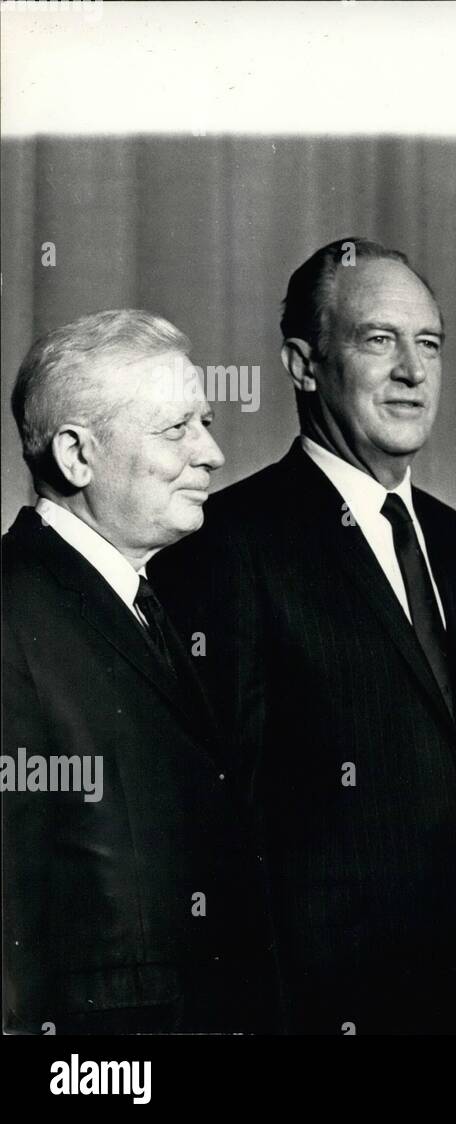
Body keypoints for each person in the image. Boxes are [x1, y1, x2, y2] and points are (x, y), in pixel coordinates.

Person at [151, 238, 456, 1034]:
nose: (413, 370)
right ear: (304, 365)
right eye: (379, 340)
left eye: (430, 344)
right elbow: (214, 826)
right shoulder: (226, 546)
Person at [2, 309, 271, 1033]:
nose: (213, 453)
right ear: (77, 456)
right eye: (177, 429)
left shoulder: (144, 599)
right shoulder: (11, 614)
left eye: (206, 423)